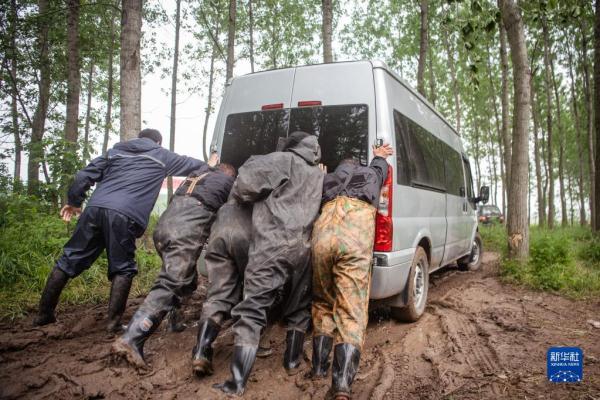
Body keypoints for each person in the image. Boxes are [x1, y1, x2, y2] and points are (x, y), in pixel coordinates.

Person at [33, 129, 207, 332]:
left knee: (68, 260)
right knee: (123, 267)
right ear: (158, 142)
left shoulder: (114, 152)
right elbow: (199, 166)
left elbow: (83, 175)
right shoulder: (162, 155)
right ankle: (113, 323)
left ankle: (44, 315)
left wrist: (74, 202)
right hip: (125, 214)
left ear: (139, 138)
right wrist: (212, 162)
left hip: (94, 209)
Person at [215, 131, 324, 395]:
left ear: (291, 146)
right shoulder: (318, 173)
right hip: (304, 247)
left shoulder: (281, 160)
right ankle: (291, 361)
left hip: (273, 244)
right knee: (298, 307)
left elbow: (242, 187)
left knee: (252, 308)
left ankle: (236, 383)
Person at [111, 160, 236, 368]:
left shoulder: (196, 176)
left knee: (187, 281)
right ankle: (131, 339)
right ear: (230, 175)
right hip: (184, 234)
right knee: (170, 284)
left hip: (163, 229)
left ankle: (174, 320)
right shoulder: (227, 182)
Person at [309, 144, 394, 400]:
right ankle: (342, 384)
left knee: (323, 301)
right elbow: (381, 167)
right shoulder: (368, 174)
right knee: (351, 308)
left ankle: (318, 368)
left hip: (322, 237)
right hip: (353, 238)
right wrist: (378, 156)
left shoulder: (328, 179)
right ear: (357, 166)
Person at [190, 199, 252, 376]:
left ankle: (202, 351)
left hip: (219, 234)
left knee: (218, 295)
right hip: (246, 235)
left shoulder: (233, 189)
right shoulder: (264, 188)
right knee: (253, 288)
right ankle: (248, 342)